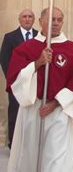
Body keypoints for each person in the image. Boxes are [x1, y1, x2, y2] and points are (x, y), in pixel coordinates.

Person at [6, 7, 73, 172]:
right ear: (40, 22)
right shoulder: (26, 48)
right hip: (33, 109)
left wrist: (55, 103)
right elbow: (14, 78)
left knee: (56, 160)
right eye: (51, 20)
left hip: (58, 112)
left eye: (59, 20)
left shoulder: (71, 49)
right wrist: (37, 63)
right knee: (30, 157)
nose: (55, 23)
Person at [0, 9, 37, 149]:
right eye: (24, 17)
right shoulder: (10, 37)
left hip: (34, 83)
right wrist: (15, 80)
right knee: (15, 113)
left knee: (32, 114)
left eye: (30, 17)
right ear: (19, 19)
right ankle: (13, 145)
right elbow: (4, 60)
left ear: (34, 20)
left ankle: (30, 146)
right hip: (16, 84)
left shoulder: (39, 36)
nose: (27, 19)